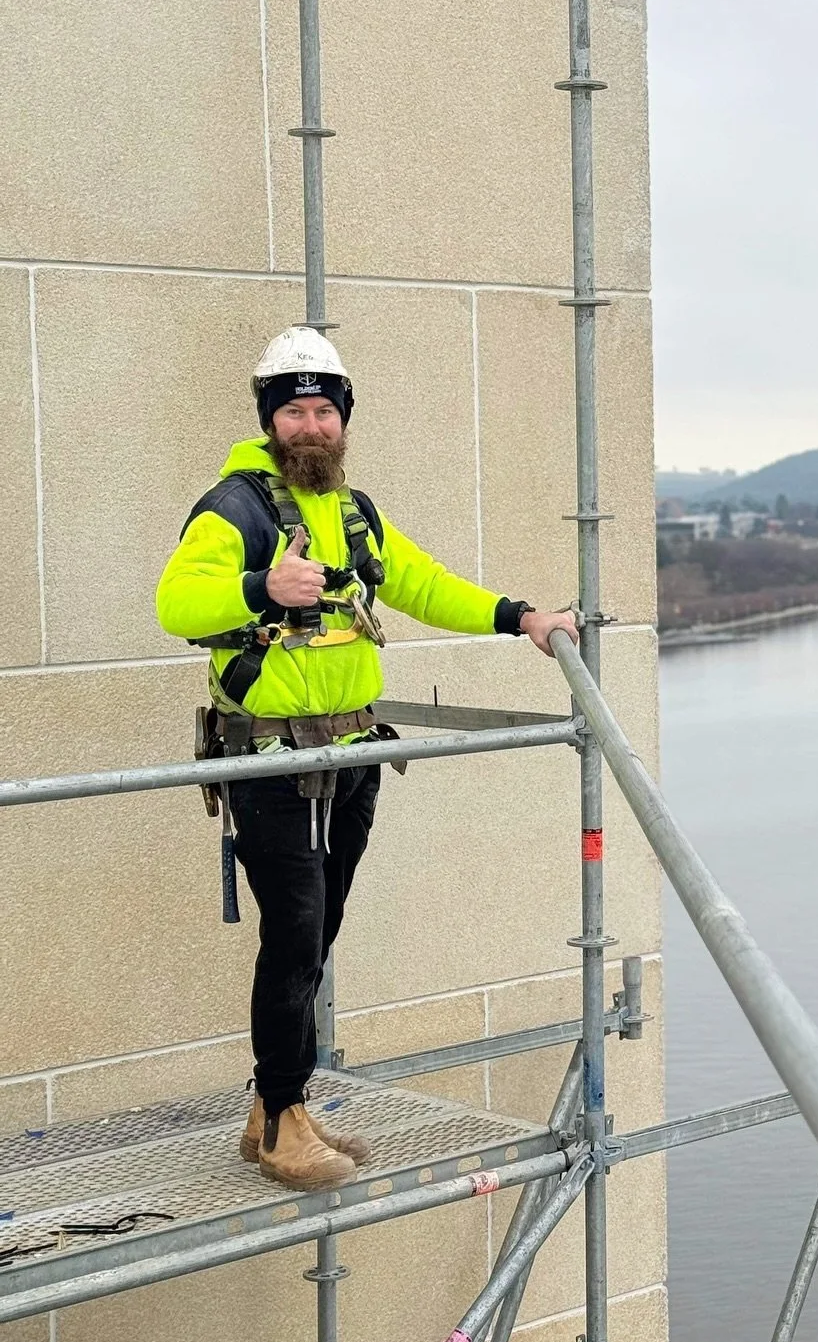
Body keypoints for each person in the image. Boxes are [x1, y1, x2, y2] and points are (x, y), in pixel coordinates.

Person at [156, 326, 577, 1192]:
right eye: (294, 411)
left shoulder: (353, 513)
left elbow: (425, 583)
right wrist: (259, 587)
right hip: (269, 762)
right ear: (269, 421)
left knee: (320, 933)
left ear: (342, 421)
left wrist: (522, 616)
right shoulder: (233, 507)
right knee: (296, 933)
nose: (310, 426)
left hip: (348, 755)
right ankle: (279, 1123)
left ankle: (279, 1104)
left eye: (323, 411)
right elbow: (175, 600)